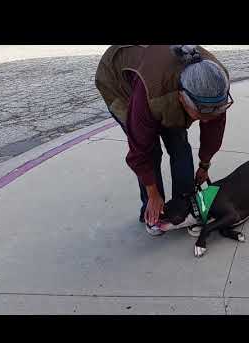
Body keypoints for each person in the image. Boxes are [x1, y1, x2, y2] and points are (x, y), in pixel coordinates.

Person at [95, 45, 233, 235]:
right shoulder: (152, 94)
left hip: (162, 83)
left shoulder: (216, 81)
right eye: (201, 113)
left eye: (214, 111)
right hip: (119, 84)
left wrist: (204, 164)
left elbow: (214, 128)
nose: (208, 119)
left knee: (180, 146)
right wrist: (152, 192)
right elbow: (139, 151)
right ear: (182, 99)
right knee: (151, 151)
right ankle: (152, 212)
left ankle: (184, 206)